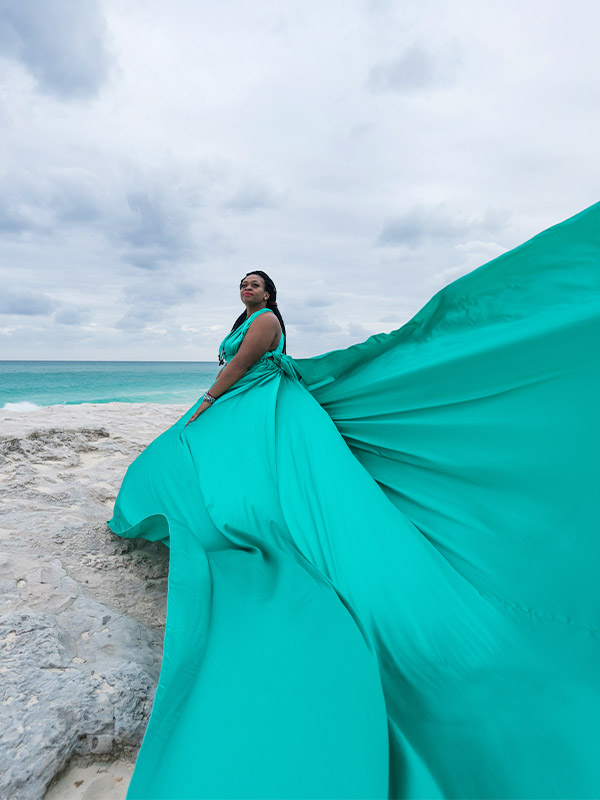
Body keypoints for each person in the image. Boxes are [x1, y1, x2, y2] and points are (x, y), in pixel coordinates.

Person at [107, 202, 600, 800]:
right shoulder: (246, 316)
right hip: (247, 405)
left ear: (270, 293)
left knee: (246, 483)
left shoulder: (263, 322)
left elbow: (241, 365)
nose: (248, 288)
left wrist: (208, 400)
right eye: (242, 283)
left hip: (257, 407)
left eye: (256, 283)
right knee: (204, 466)